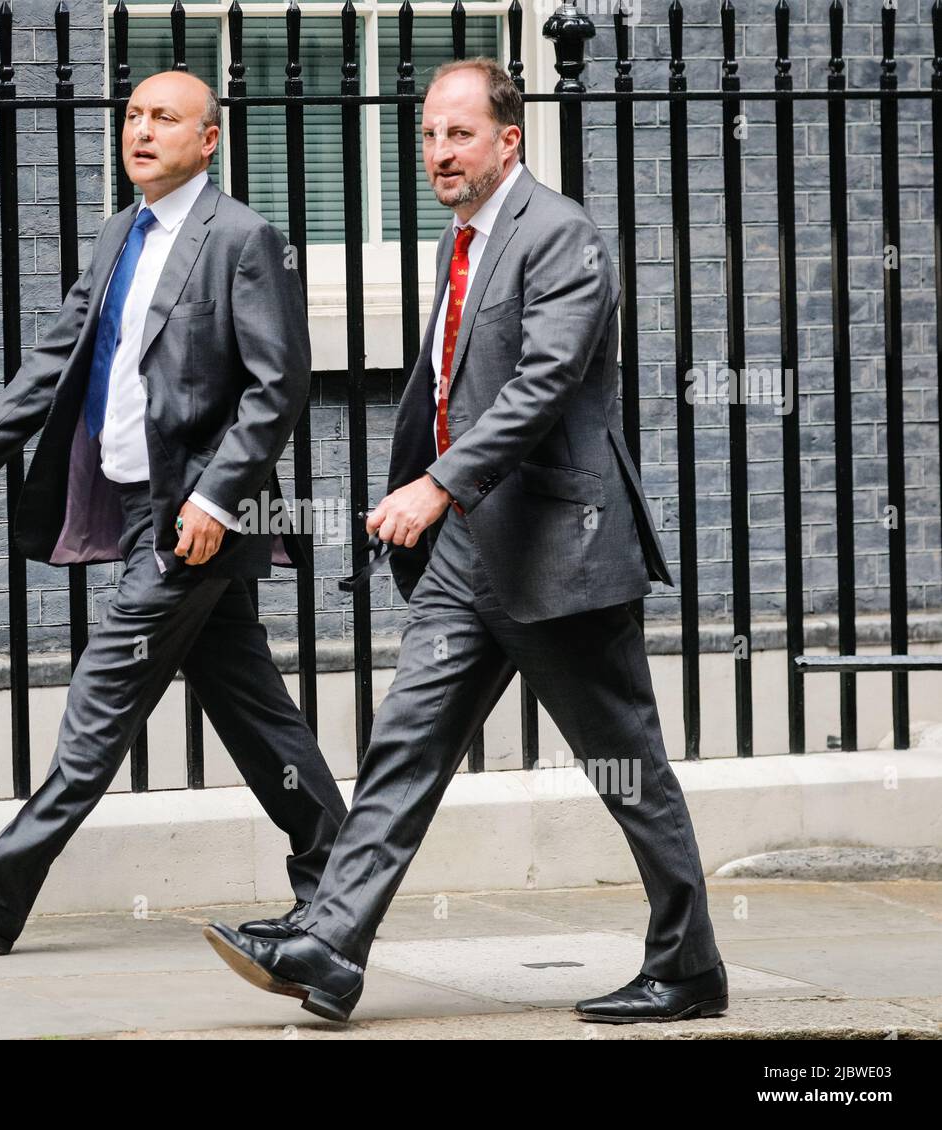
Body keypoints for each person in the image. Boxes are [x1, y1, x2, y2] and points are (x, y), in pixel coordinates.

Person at [203, 57, 727, 1025]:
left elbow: (541, 384)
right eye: (431, 136)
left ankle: (687, 962)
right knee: (404, 745)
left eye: (460, 135)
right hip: (467, 558)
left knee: (625, 767)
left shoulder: (558, 234)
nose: (440, 153)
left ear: (508, 141)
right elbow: (451, 387)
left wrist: (436, 485)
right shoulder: (463, 242)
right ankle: (332, 944)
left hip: (556, 551)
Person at [0, 70, 346, 953]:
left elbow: (277, 386)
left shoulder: (244, 239)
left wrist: (220, 496)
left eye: (164, 118)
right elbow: (60, 351)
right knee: (254, 709)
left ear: (208, 140)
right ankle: (339, 879)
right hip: (139, 503)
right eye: (134, 115)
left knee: (102, 697)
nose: (141, 131)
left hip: (193, 517)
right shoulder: (119, 235)